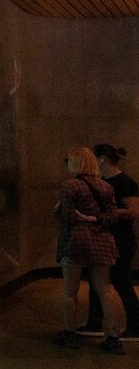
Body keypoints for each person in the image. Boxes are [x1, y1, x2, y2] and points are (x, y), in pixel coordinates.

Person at [51, 146, 126, 354]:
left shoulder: (69, 186)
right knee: (105, 289)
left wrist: (60, 211)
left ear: (76, 163)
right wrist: (95, 218)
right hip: (102, 241)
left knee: (70, 291)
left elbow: (66, 216)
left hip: (76, 241)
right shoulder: (105, 187)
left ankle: (70, 334)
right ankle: (113, 338)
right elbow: (112, 216)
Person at [75, 144, 139, 338]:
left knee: (121, 282)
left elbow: (134, 211)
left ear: (101, 159)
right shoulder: (102, 182)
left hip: (122, 240)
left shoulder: (125, 182)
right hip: (105, 239)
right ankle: (94, 322)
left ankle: (136, 325)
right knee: (97, 280)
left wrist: (105, 214)